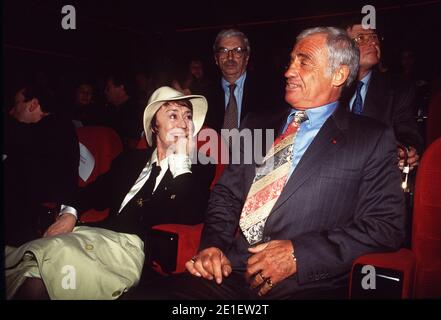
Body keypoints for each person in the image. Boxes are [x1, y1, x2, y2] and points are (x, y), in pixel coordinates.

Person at [136, 27, 406, 300]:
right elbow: (226, 196)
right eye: (291, 61)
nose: (289, 71)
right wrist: (213, 247)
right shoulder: (256, 124)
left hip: (304, 284)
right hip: (230, 272)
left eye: (304, 61)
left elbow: (386, 225)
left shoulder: (370, 138)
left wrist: (298, 254)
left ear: (339, 74)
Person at [5, 86, 215, 300]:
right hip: (96, 237)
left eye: (188, 117)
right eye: (173, 115)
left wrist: (180, 163)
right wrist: (69, 214)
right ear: (154, 125)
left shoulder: (198, 167)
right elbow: (92, 192)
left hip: (131, 251)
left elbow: (194, 211)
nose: (183, 123)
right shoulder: (130, 160)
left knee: (45, 267)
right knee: (33, 270)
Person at [3, 84, 79, 246]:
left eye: (17, 103)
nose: (12, 111)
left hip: (32, 221)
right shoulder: (32, 135)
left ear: (34, 104)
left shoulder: (56, 127)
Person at [343, 22, 423, 170]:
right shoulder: (328, 88)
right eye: (361, 38)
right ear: (341, 47)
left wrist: (404, 150)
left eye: (374, 37)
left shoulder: (398, 89)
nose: (373, 42)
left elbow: (407, 133)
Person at [205, 29, 277, 132]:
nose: (230, 57)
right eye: (223, 51)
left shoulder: (269, 90)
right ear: (216, 58)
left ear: (246, 57)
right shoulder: (204, 96)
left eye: (237, 50)